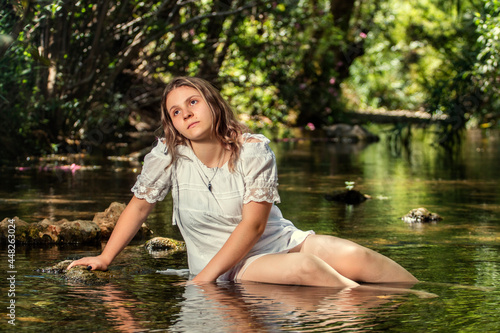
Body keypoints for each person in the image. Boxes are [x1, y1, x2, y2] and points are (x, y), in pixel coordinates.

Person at [68, 76, 418, 288]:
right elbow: (140, 205)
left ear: (214, 104)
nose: (186, 112)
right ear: (172, 123)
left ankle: (426, 297)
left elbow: (255, 224)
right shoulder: (167, 155)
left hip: (279, 239)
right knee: (308, 269)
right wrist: (105, 257)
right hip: (228, 261)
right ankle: (369, 304)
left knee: (359, 257)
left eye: (193, 102)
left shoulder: (253, 149)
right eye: (176, 111)